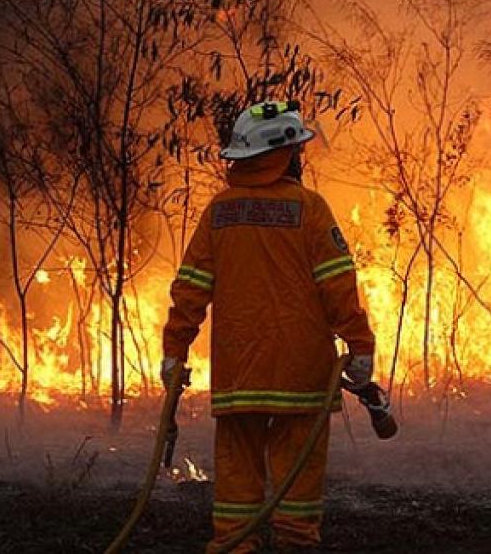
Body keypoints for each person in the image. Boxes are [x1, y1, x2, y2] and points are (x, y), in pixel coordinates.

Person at [161, 100, 376, 553]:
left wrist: (174, 351)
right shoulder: (310, 209)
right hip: (301, 377)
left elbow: (190, 289)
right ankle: (296, 546)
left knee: (237, 487)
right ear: (285, 155)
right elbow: (338, 287)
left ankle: (236, 547)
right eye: (297, 150)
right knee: (297, 488)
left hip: (239, 376)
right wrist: (360, 346)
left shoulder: (219, 213)